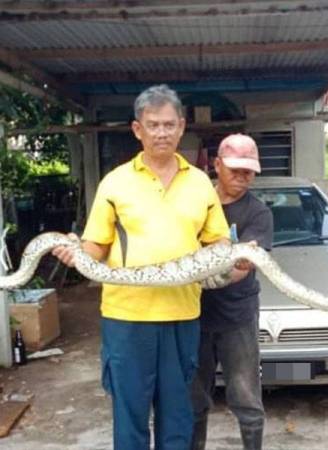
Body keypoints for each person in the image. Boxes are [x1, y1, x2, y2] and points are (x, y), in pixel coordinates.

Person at [52, 84, 231, 450]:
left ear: (181, 126)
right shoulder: (115, 183)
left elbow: (218, 243)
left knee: (178, 417)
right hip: (127, 318)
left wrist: (235, 254)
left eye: (169, 124)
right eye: (153, 125)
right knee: (130, 418)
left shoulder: (200, 183)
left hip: (182, 315)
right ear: (138, 129)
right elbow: (96, 247)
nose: (162, 133)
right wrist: (75, 252)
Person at [190, 134, 273, 450]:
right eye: (235, 169)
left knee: (246, 398)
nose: (242, 177)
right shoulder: (194, 206)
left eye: (248, 171)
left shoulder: (258, 213)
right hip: (192, 315)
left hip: (237, 316)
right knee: (194, 397)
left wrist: (192, 278)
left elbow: (242, 269)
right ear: (217, 165)